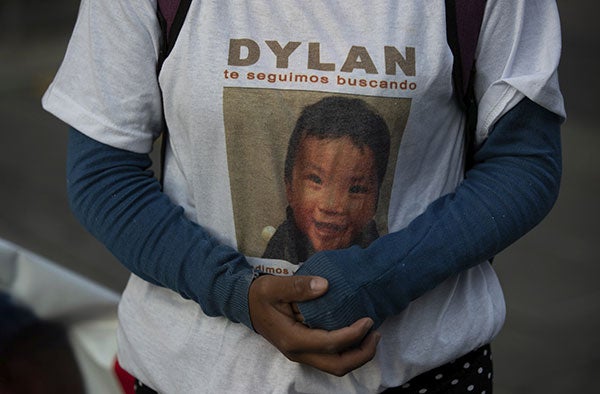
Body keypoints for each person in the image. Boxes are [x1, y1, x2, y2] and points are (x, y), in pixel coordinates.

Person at [42, 1, 565, 392]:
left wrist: (381, 279)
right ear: (290, 184)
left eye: (359, 185)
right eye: (315, 179)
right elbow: (103, 173)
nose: (334, 204)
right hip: (192, 374)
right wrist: (233, 291)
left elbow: (524, 162)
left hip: (419, 375)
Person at [263, 96, 390, 263]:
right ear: (289, 188)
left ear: (376, 201)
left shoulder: (380, 255)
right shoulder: (280, 248)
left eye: (356, 189)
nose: (331, 206)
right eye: (316, 180)